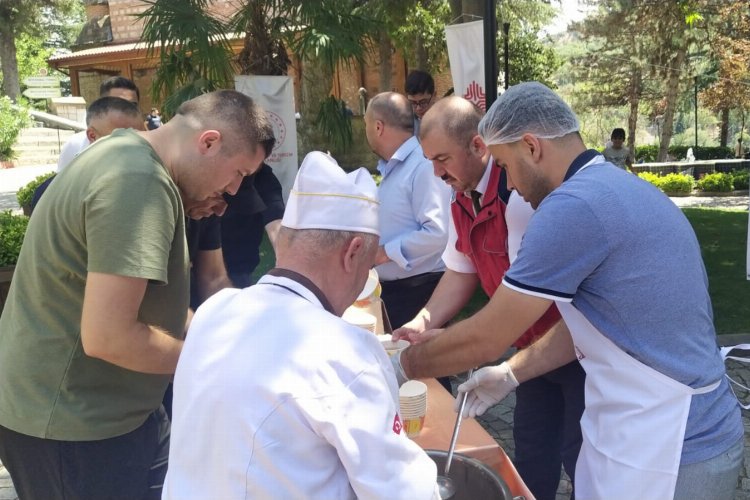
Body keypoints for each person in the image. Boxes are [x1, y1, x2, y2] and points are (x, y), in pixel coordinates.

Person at [392, 82, 744, 500]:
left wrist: (400, 366)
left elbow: (488, 336)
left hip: (674, 445)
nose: (507, 184)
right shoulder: (618, 187)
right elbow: (592, 324)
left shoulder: (571, 207)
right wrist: (512, 372)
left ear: (531, 146)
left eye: (503, 165)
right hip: (656, 429)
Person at [0, 90, 275, 500]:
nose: (234, 191)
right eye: (238, 173)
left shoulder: (131, 159)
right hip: (73, 427)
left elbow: (149, 302)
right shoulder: (138, 183)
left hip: (123, 414)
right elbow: (108, 335)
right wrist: (217, 359)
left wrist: (217, 333)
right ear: (209, 142)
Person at [163, 151, 438, 499]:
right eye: (369, 265)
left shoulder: (213, 313)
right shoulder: (347, 353)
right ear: (353, 253)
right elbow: (405, 491)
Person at [394, 95, 584, 500]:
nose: (435, 172)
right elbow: (460, 270)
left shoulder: (521, 197)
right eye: (429, 160)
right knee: (532, 452)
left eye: (442, 158)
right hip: (527, 348)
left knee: (581, 456)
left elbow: (507, 316)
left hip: (573, 346)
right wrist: (422, 322)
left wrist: (426, 354)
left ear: (478, 146)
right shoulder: (459, 195)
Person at [364, 92, 450, 331]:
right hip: (400, 291)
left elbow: (437, 233)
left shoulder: (422, 165)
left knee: (423, 367)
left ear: (378, 127)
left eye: (366, 124)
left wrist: (383, 253)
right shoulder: (398, 167)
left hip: (418, 292)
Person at [30, 95, 145, 212]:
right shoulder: (53, 193)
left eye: (140, 137)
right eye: (122, 139)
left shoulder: (146, 179)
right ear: (92, 135)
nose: (134, 147)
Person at [57, 76, 140, 172]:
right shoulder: (75, 145)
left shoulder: (149, 144)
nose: (126, 109)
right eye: (118, 104)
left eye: (132, 105)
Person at [221, 163, 285, 288]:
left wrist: (287, 260)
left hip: (240, 270)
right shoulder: (217, 175)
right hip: (196, 266)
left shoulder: (264, 178)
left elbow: (276, 226)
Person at [405, 69, 436, 136]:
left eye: (423, 102)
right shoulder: (404, 122)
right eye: (413, 103)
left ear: (434, 96)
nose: (418, 108)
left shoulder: (445, 121)